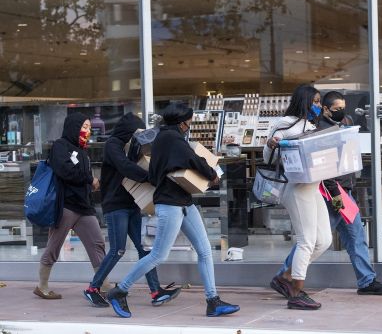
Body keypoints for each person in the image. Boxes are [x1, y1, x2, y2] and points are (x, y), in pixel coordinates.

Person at [107, 103, 239, 318]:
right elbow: (194, 160)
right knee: (158, 255)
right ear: (182, 122)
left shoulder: (164, 137)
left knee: (205, 251)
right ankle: (120, 290)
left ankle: (213, 301)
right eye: (190, 121)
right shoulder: (171, 138)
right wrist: (212, 175)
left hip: (183, 202)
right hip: (170, 204)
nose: (190, 125)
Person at [270, 91, 382, 298]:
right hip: (331, 191)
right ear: (325, 109)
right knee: (312, 240)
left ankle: (366, 280)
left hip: (341, 189)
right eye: (336, 108)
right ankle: (285, 277)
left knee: (351, 237)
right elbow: (321, 166)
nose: (341, 111)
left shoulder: (342, 125)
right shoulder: (317, 130)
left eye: (343, 107)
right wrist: (335, 194)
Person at [83, 113, 180, 307]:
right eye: (136, 132)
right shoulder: (113, 145)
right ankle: (93, 288)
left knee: (144, 249)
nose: (138, 136)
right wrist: (150, 176)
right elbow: (125, 167)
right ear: (128, 130)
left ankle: (155, 292)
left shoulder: (132, 145)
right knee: (118, 249)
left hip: (132, 203)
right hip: (115, 205)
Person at [264, 84, 332, 310]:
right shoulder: (285, 124)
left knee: (324, 241)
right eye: (314, 102)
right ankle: (296, 292)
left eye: (319, 102)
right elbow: (269, 156)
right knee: (307, 241)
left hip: (314, 187)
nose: (318, 106)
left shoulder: (311, 125)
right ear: (303, 102)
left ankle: (285, 277)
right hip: (297, 187)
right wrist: (272, 143)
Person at [34, 113, 105, 299]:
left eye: (89, 128)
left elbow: (79, 176)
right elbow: (65, 171)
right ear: (74, 127)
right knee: (54, 246)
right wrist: (90, 179)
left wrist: (90, 185)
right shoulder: (60, 146)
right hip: (65, 206)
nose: (88, 131)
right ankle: (42, 286)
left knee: (97, 243)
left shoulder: (83, 151)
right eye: (85, 127)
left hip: (84, 206)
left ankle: (103, 284)